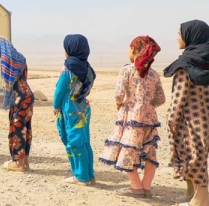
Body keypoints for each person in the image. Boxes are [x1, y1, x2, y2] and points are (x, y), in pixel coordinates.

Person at [99, 36, 165, 197]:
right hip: (149, 119)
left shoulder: (127, 70)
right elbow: (161, 98)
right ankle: (146, 186)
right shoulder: (154, 74)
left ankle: (136, 186)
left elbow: (118, 94)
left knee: (129, 149)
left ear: (136, 50)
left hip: (130, 117)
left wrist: (122, 105)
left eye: (130, 48)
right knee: (149, 150)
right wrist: (147, 105)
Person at [164, 20, 209, 206]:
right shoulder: (206, 61)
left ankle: (200, 203)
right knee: (200, 157)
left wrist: (171, 121)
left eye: (179, 33)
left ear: (191, 36)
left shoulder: (186, 64)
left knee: (194, 158)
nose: (177, 37)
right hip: (206, 119)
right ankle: (193, 196)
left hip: (190, 121)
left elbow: (178, 99)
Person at [53, 34, 96, 186]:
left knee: (74, 141)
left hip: (70, 110)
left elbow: (59, 89)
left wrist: (56, 105)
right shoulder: (87, 67)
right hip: (83, 108)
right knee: (84, 141)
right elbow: (87, 85)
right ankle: (89, 174)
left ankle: (81, 176)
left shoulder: (68, 67)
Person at [0, 36, 35, 172]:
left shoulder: (6, 60)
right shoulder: (21, 57)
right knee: (26, 127)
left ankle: (17, 162)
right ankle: (25, 161)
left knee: (16, 128)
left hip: (18, 97)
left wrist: (7, 100)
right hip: (28, 95)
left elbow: (7, 84)